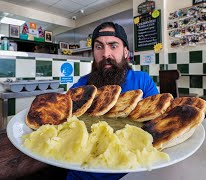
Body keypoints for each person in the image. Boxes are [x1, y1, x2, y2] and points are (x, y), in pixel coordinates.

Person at [66, 22, 159, 179]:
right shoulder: (81, 86)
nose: (106, 54)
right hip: (82, 171)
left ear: (125, 52)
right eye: (99, 47)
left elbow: (158, 124)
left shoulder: (142, 81)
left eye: (113, 46)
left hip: (132, 171)